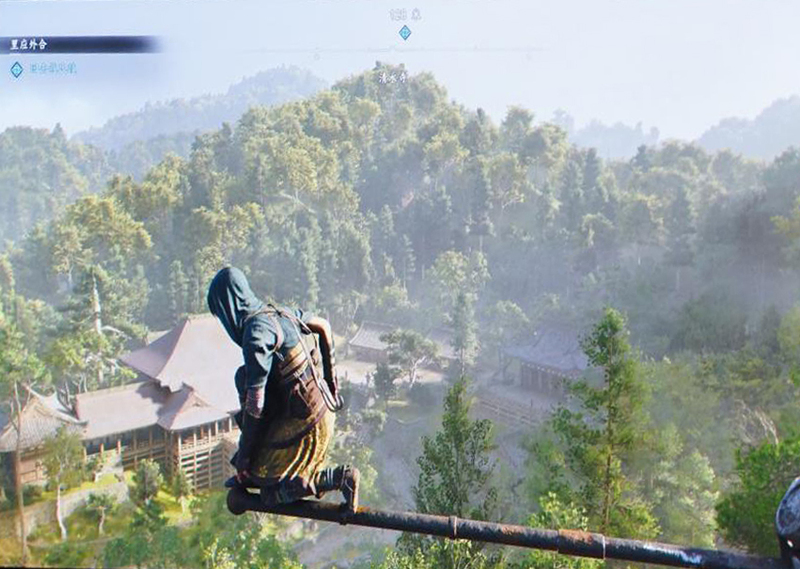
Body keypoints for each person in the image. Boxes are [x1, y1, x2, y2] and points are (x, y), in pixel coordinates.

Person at [207, 267, 359, 512]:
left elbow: (256, 405)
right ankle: (256, 472)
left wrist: (244, 455)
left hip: (306, 424)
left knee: (271, 496)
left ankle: (339, 478)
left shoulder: (255, 334)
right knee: (242, 376)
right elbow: (323, 326)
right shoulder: (279, 313)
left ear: (228, 308)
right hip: (318, 409)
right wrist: (331, 385)